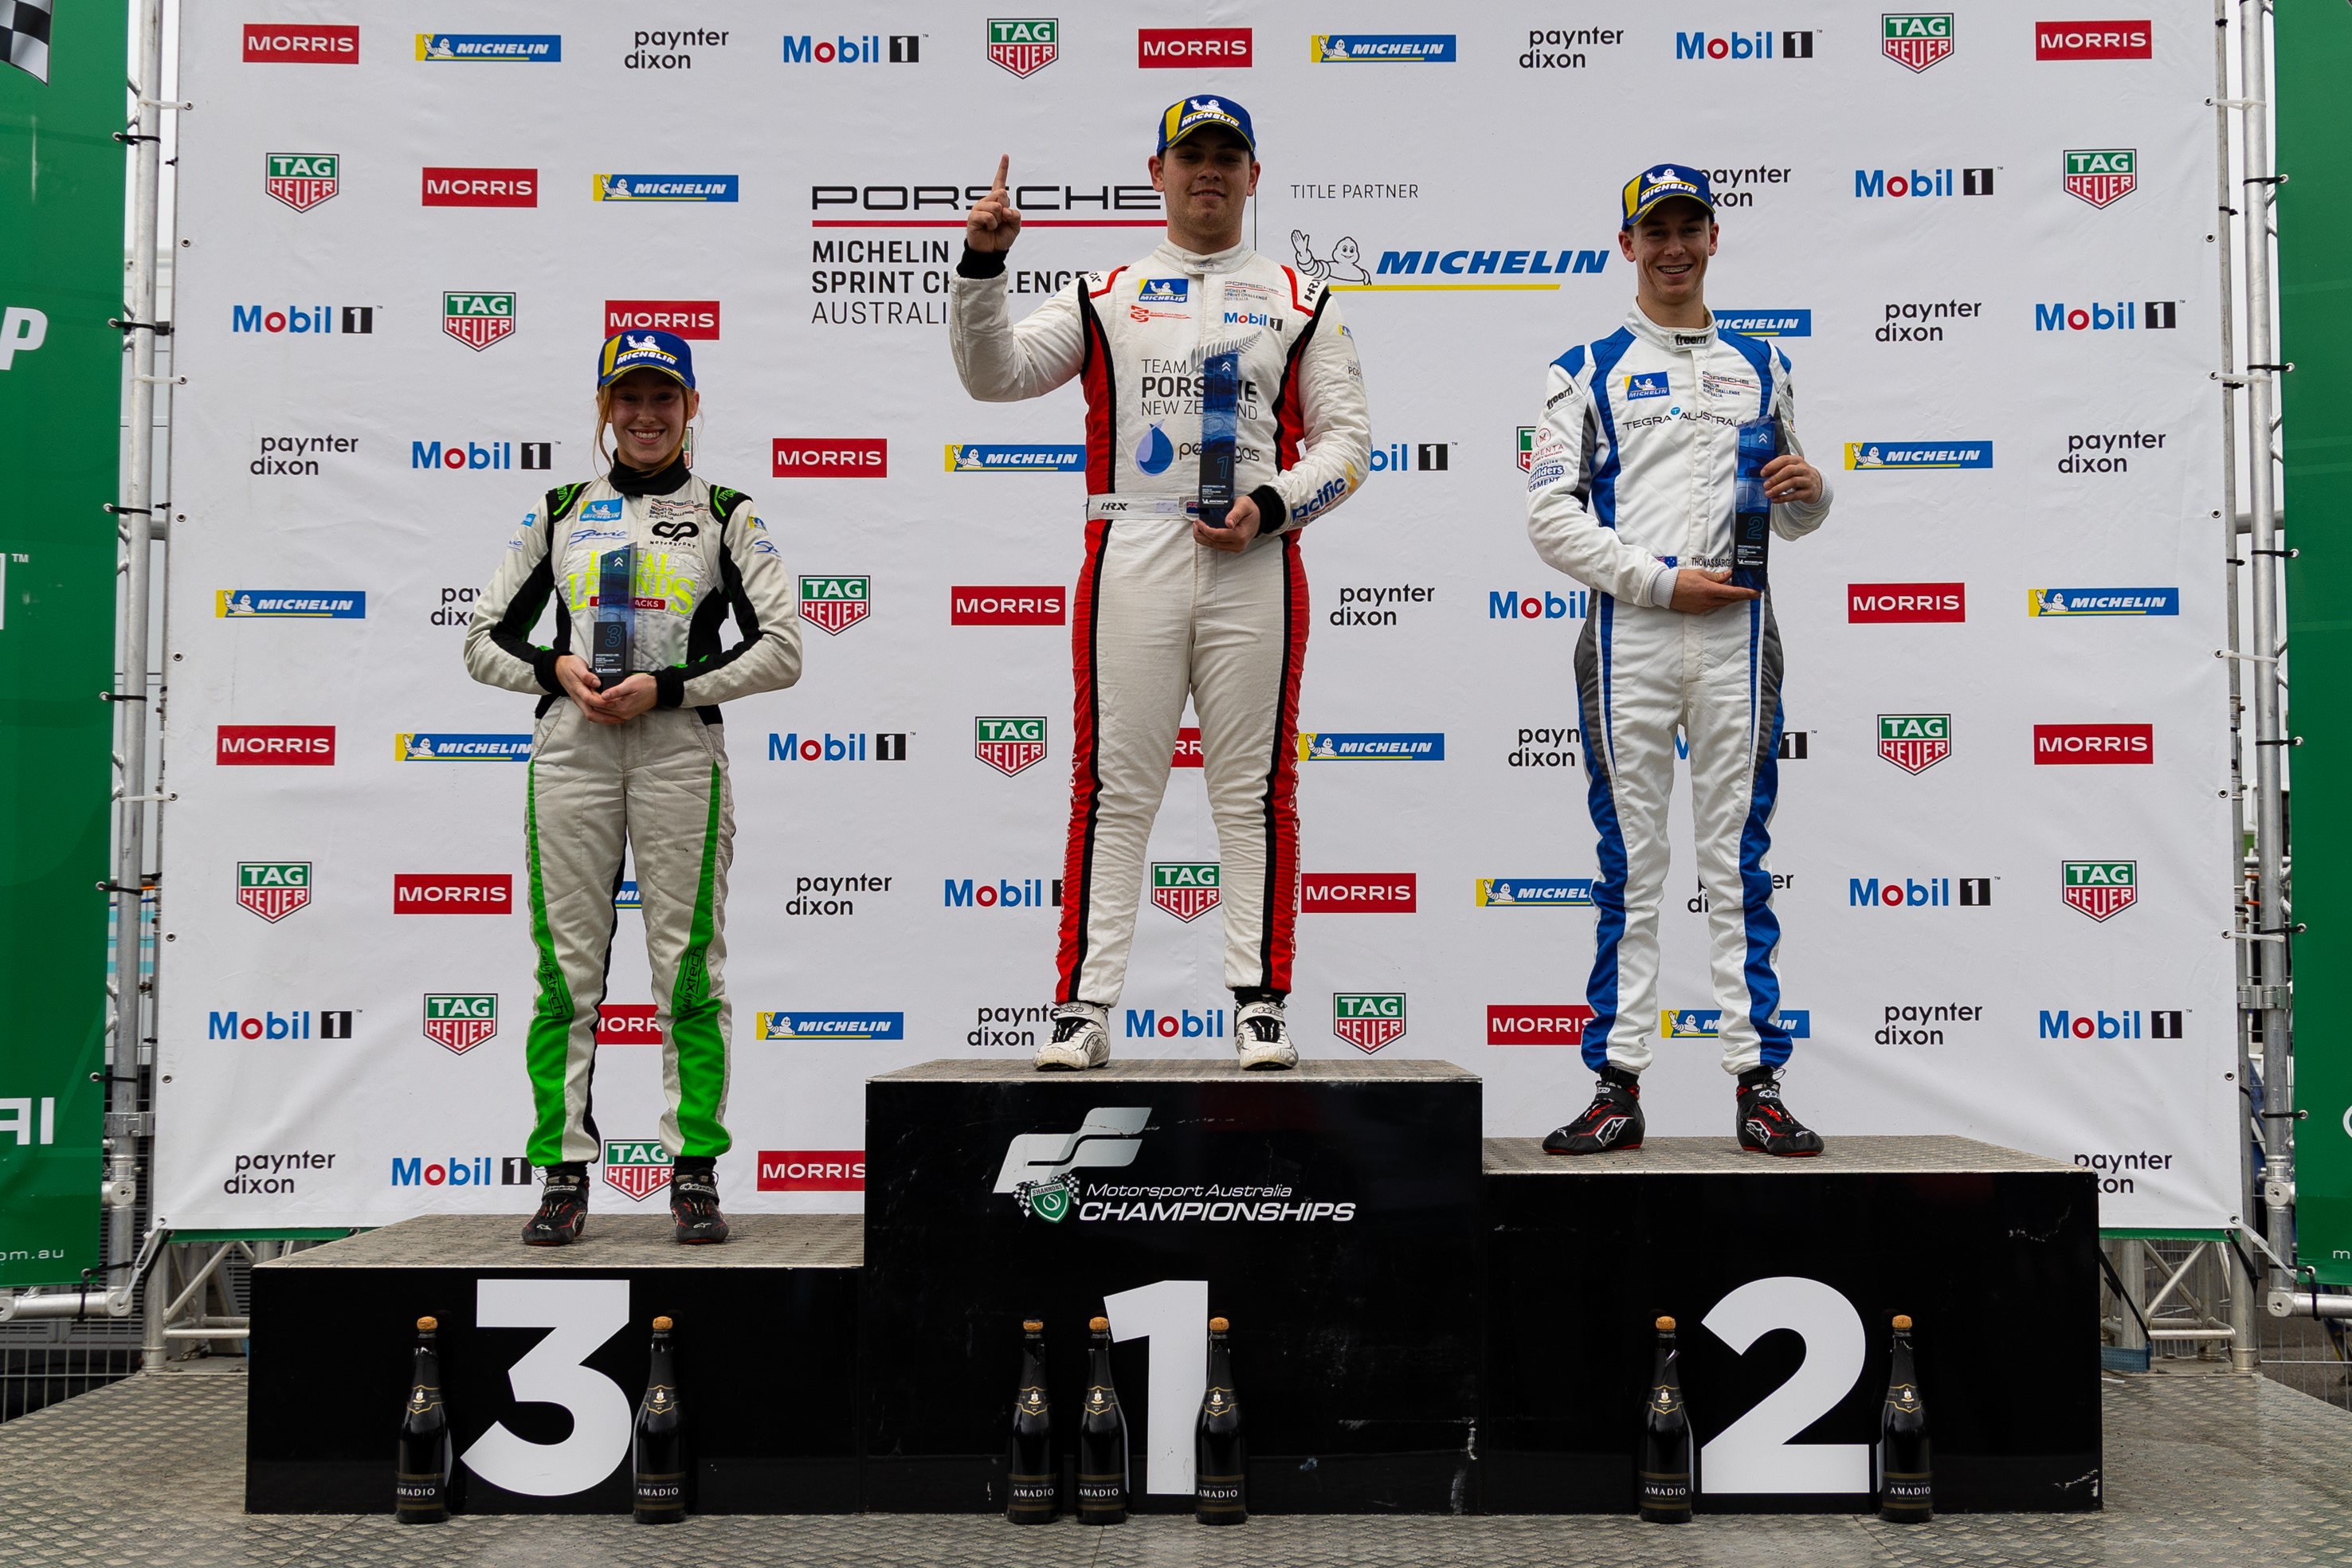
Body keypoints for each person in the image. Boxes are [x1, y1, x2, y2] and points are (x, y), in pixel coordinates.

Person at [948, 96, 1371, 1072]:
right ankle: (1084, 1007)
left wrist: (1272, 504)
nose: (1209, 172)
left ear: (1255, 177)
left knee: (1256, 792)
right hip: (1132, 549)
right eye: (1192, 157)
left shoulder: (1303, 300)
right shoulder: (1108, 292)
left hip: (1254, 557)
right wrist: (983, 266)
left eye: (1228, 157)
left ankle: (1259, 1004)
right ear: (1158, 172)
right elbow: (993, 375)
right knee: (1111, 789)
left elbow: (1350, 447)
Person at [464, 329, 802, 1243]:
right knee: (563, 974)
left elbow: (784, 650)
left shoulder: (729, 513)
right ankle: (563, 1174)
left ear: (692, 407)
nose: (645, 416)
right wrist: (556, 670)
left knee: (687, 968)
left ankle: (692, 1170)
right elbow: (481, 636)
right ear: (604, 410)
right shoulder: (562, 508)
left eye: (663, 398)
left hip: (677, 750)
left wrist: (673, 687)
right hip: (572, 750)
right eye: (628, 399)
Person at [1524, 166, 1832, 1157]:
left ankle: (1760, 1087)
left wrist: (1811, 488)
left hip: (1742, 633)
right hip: (1634, 635)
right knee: (1635, 866)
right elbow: (1550, 517)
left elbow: (1798, 509)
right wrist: (1660, 583)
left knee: (1739, 865)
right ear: (1627, 245)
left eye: (1688, 228)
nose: (1671, 247)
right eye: (1653, 231)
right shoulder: (1586, 365)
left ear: (1712, 239)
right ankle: (1618, 1087)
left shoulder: (1764, 362)